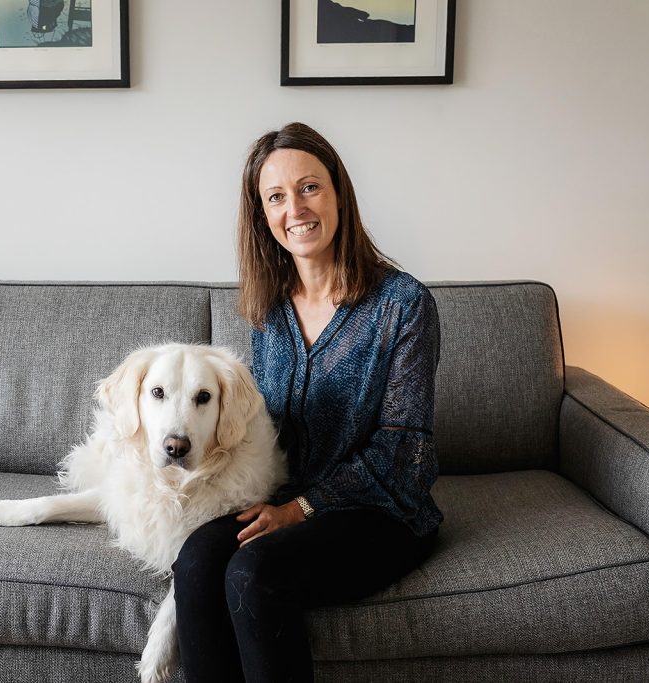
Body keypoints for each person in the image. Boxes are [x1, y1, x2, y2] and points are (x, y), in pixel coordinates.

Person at [172, 122, 444, 683]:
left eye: (309, 187)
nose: (294, 208)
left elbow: (402, 452)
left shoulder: (405, 305)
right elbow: (259, 427)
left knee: (252, 574)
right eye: (276, 197)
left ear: (338, 192)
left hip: (382, 515)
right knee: (197, 563)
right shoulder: (269, 307)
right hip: (283, 501)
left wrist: (300, 510)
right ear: (262, 215)